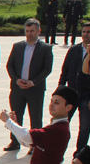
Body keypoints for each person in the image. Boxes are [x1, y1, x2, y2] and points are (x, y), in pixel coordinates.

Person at [3, 19, 53, 151]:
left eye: (32, 31)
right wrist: (16, 79)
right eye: (27, 31)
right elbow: (10, 65)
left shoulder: (46, 48)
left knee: (35, 118)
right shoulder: (18, 46)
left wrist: (33, 82)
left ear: (38, 31)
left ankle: (35, 144)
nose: (29, 34)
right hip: (18, 88)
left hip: (35, 89)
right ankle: (14, 142)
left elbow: (47, 69)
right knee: (15, 116)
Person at [57, 21, 90, 151]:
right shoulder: (74, 49)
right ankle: (59, 149)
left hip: (87, 95)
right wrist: (60, 89)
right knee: (63, 123)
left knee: (84, 127)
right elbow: (65, 70)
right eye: (83, 32)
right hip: (71, 93)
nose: (85, 35)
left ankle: (79, 152)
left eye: (89, 32)